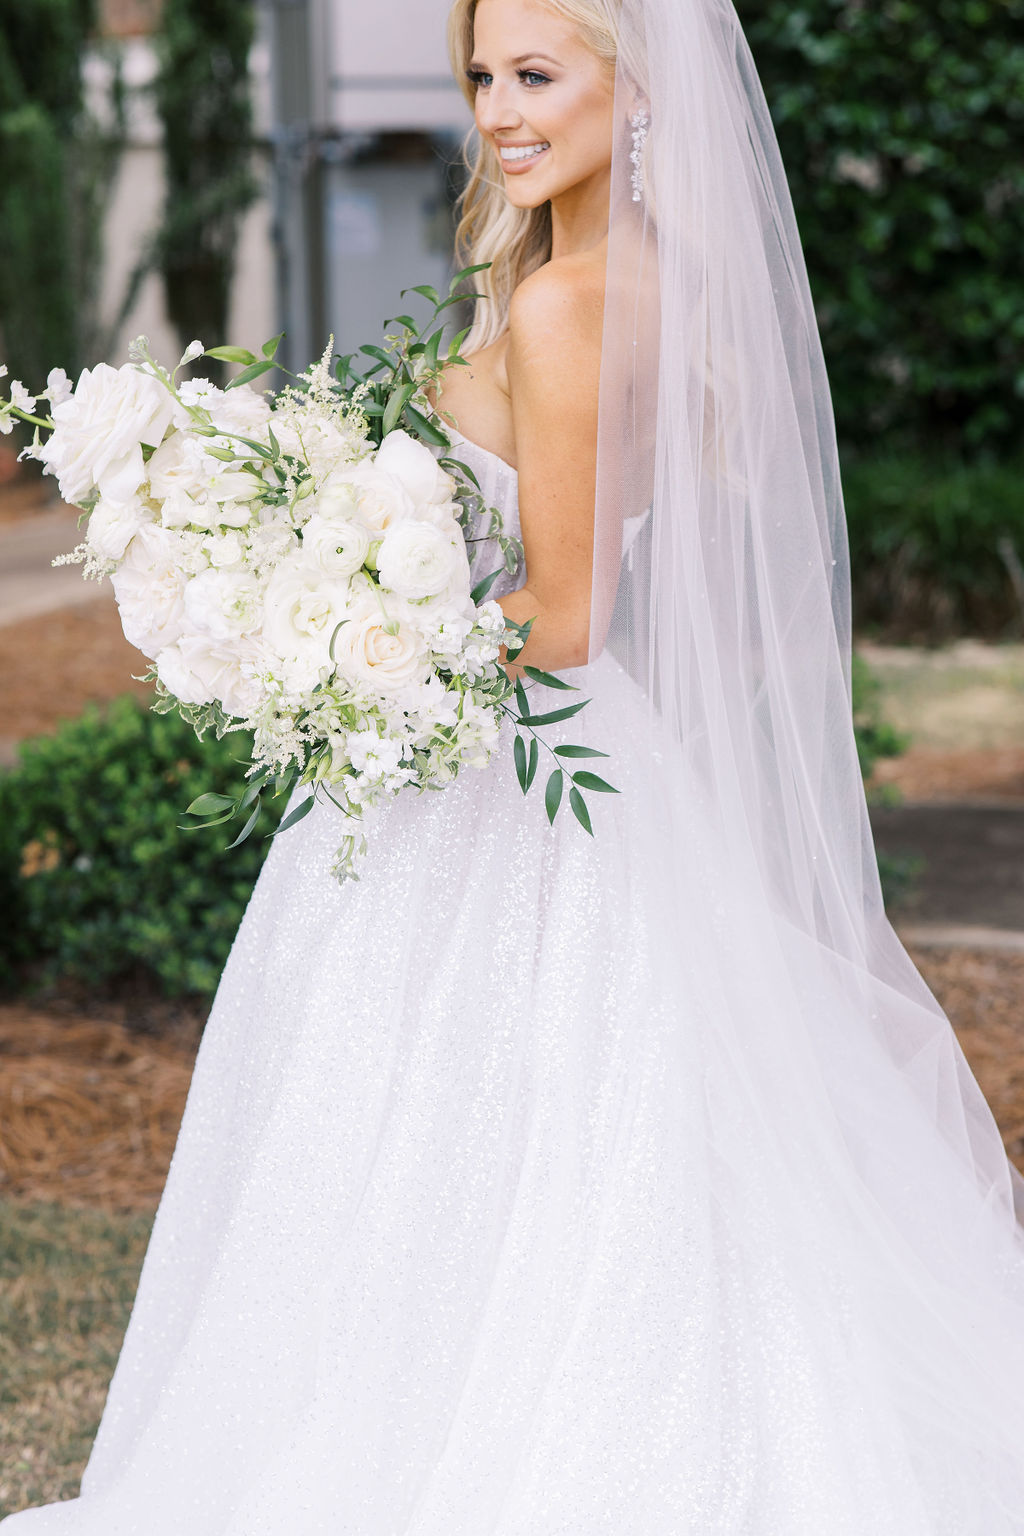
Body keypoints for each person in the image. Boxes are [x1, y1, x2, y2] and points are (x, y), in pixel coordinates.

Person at [5, 0, 1024, 1530]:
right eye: (481, 75)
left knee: (443, 1134)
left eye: (537, 74)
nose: (499, 109)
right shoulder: (648, 283)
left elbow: (561, 621)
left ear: (641, 83)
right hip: (603, 771)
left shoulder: (560, 309)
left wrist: (348, 635)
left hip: (506, 773)